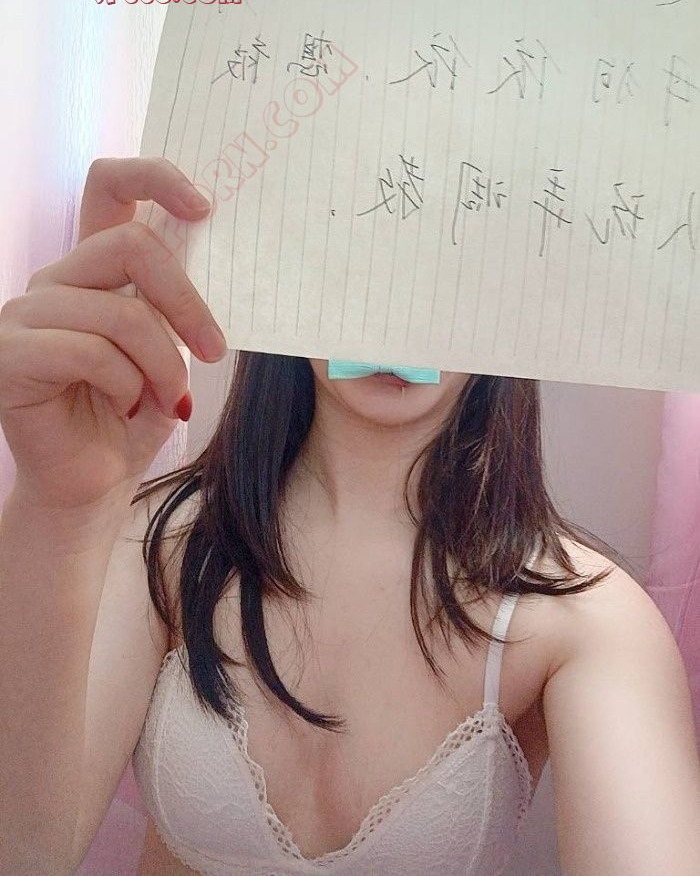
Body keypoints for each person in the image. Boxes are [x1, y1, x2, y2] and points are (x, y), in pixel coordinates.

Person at [1, 157, 698, 876]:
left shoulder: (586, 617)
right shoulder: (161, 545)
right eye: (364, 236)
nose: (401, 301)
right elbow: (22, 852)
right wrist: (57, 508)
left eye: (450, 252)